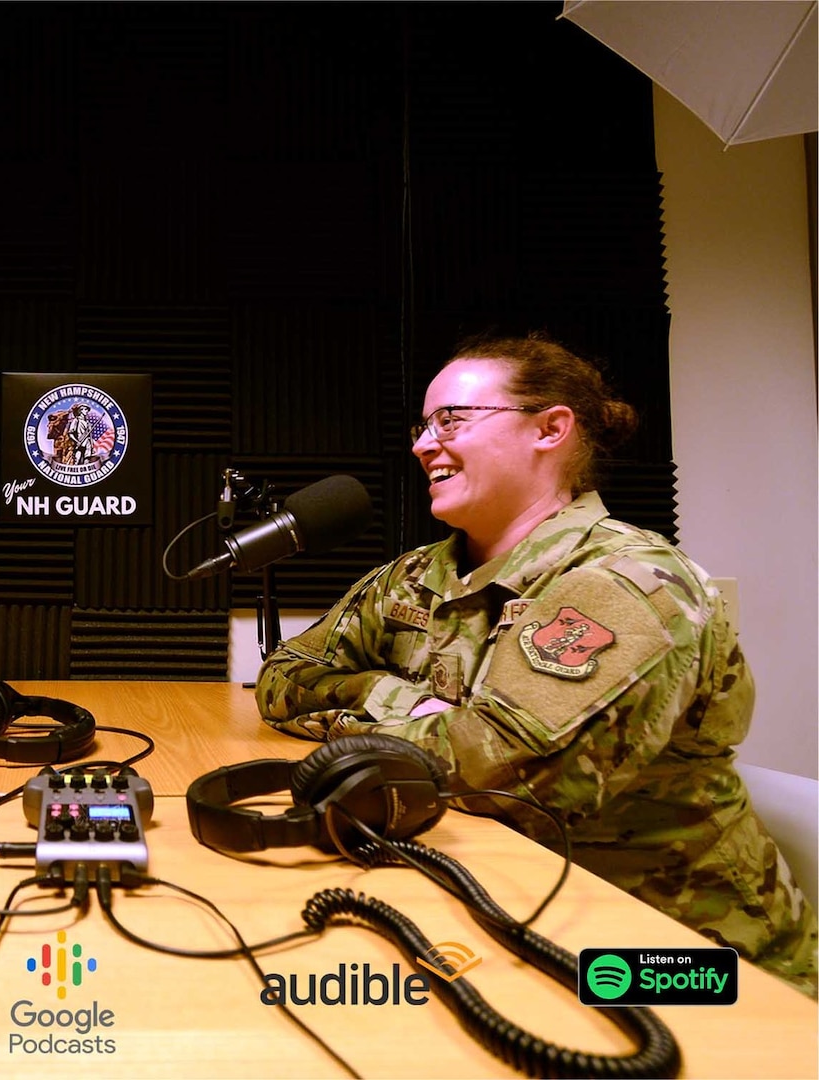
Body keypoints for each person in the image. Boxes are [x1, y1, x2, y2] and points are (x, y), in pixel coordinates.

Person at [255, 332, 817, 997]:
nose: (422, 444)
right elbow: (282, 678)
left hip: (674, 954)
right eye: (422, 424)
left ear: (550, 430)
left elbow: (501, 777)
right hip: (504, 902)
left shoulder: (629, 582)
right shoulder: (414, 577)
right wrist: (394, 697)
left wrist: (367, 732)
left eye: (451, 420)